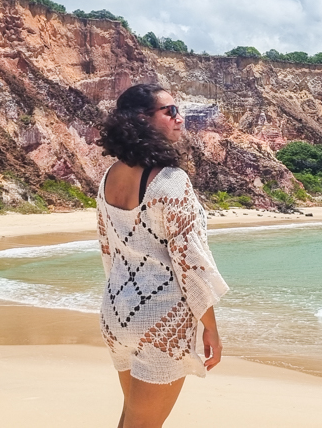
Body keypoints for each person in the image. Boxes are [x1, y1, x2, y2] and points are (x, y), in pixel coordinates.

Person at [95, 83, 229, 428]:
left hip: (116, 311)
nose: (180, 119)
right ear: (142, 119)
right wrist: (210, 326)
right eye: (170, 111)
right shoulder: (170, 180)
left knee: (131, 419)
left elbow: (108, 250)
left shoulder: (109, 177)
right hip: (160, 318)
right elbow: (192, 263)